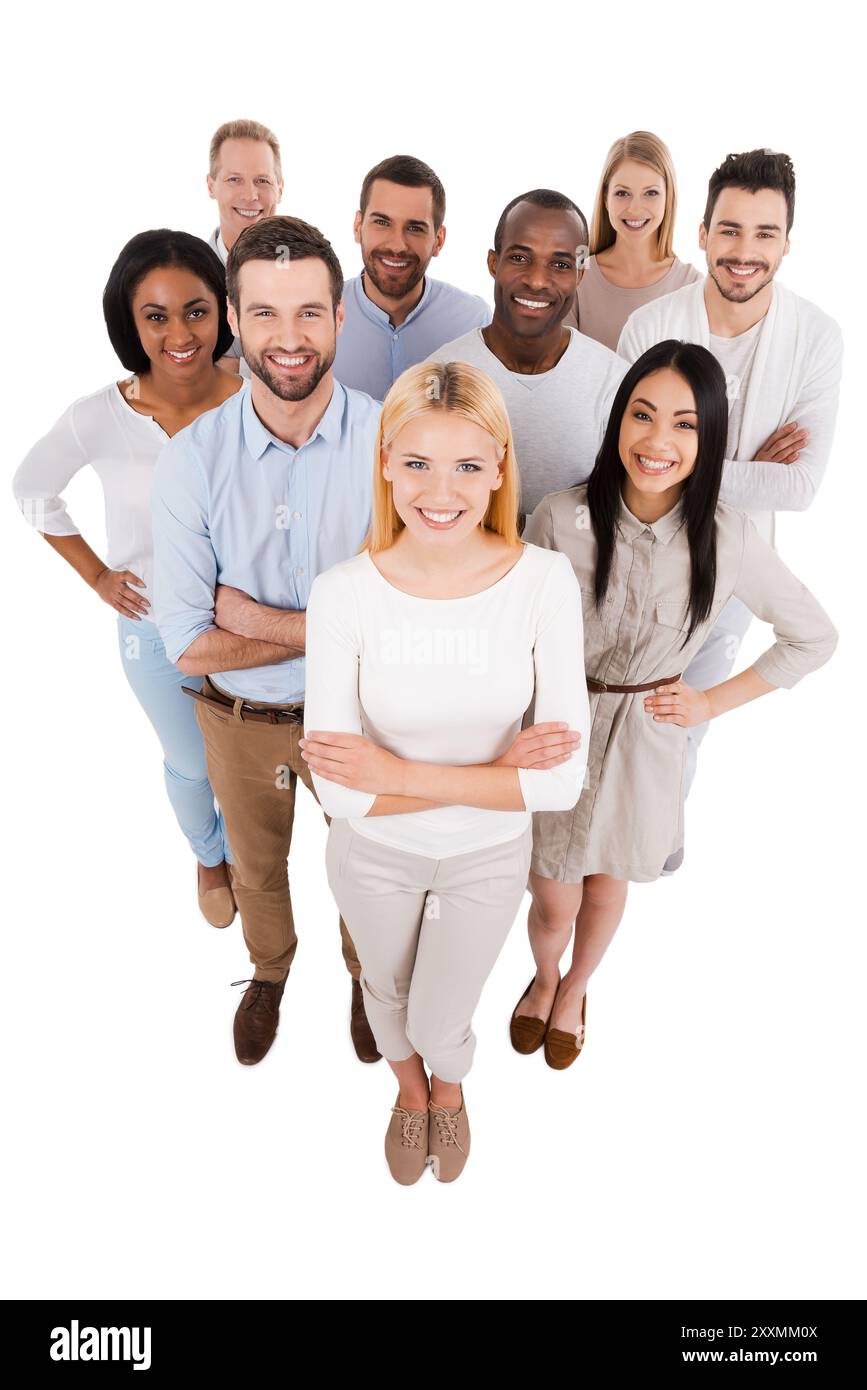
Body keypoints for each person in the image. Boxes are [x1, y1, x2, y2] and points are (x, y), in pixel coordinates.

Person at [300, 360, 590, 1184]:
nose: (442, 490)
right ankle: (410, 1094)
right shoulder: (343, 594)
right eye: (418, 462)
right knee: (383, 994)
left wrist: (393, 770)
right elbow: (341, 791)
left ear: (499, 468)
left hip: (486, 855)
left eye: (467, 465)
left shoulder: (542, 581)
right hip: (372, 854)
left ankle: (450, 1091)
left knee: (440, 1012)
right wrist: (497, 771)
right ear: (384, 461)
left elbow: (559, 786)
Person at [511, 341, 837, 1069]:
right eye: (642, 414)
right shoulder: (559, 518)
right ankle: (541, 978)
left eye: (685, 424)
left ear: (709, 437)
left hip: (647, 742)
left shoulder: (727, 538)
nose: (657, 441)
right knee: (552, 897)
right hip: (560, 732)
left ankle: (575, 992)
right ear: (617, 419)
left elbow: (812, 638)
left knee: (605, 887)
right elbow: (513, 635)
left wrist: (709, 704)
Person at [150, 216, 383, 1066]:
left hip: (357, 712)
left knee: (367, 861)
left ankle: (369, 978)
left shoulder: (391, 442)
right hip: (236, 719)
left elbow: (408, 621)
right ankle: (270, 971)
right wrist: (331, 632)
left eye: (309, 314)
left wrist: (252, 621)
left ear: (338, 317)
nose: (289, 339)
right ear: (234, 321)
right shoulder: (192, 461)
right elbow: (185, 644)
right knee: (255, 865)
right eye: (265, 315)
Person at [618, 149, 843, 868]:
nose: (743, 252)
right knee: (622, 710)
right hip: (635, 554)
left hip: (732, 568)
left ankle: (651, 844)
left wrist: (680, 465)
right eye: (729, 231)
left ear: (785, 242)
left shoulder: (815, 336)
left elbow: (799, 488)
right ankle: (602, 842)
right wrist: (739, 467)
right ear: (702, 234)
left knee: (686, 719)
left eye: (763, 234)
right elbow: (624, 462)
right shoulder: (648, 328)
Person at [13, 230, 242, 928]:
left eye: (196, 311)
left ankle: (257, 860)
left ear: (223, 312)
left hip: (253, 625)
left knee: (252, 760)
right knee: (193, 763)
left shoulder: (258, 396)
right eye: (157, 316)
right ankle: (209, 855)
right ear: (130, 322)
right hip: (154, 633)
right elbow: (30, 490)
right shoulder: (98, 417)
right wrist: (97, 577)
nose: (180, 333)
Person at [428, 189, 628, 527]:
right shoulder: (436, 377)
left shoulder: (615, 382)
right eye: (520, 258)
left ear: (580, 274)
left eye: (560, 264)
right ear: (494, 262)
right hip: (461, 577)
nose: (537, 280)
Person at [332, 154, 489, 399]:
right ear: (357, 227)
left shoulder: (473, 322)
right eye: (382, 222)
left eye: (415, 228)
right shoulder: (317, 314)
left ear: (439, 240)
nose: (397, 245)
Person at [563, 130, 699, 350]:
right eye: (623, 193)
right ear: (606, 198)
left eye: (651, 193)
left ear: (668, 197)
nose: (635, 208)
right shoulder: (578, 274)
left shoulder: (691, 284)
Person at [206, 118, 284, 376]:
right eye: (234, 180)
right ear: (211, 186)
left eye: (262, 181)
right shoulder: (187, 275)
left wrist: (234, 368)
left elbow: (321, 359)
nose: (251, 195)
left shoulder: (311, 270)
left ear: (280, 189)